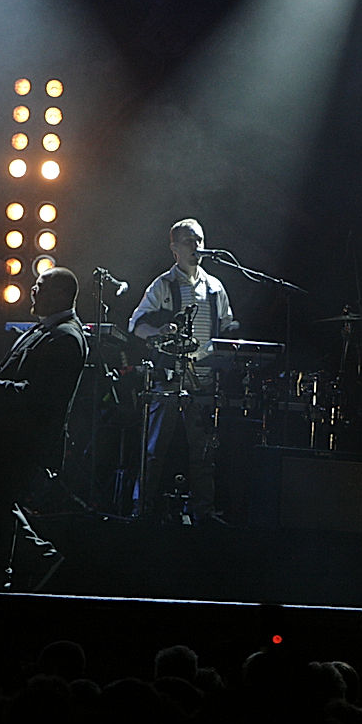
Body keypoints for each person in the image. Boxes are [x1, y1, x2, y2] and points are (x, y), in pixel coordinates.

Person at [0, 266, 87, 591]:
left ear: (61, 294)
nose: (33, 291)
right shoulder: (44, 331)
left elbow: (42, 397)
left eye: (40, 286)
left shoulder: (66, 338)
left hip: (25, 442)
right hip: (11, 438)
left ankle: (17, 568)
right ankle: (25, 564)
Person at [128, 218, 235, 525]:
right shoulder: (163, 285)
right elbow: (136, 324)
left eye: (199, 240)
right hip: (169, 380)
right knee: (154, 451)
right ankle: (141, 510)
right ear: (174, 248)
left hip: (203, 380)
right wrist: (158, 333)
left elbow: (228, 325)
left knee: (203, 454)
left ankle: (203, 512)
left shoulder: (214, 287)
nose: (196, 247)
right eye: (189, 241)